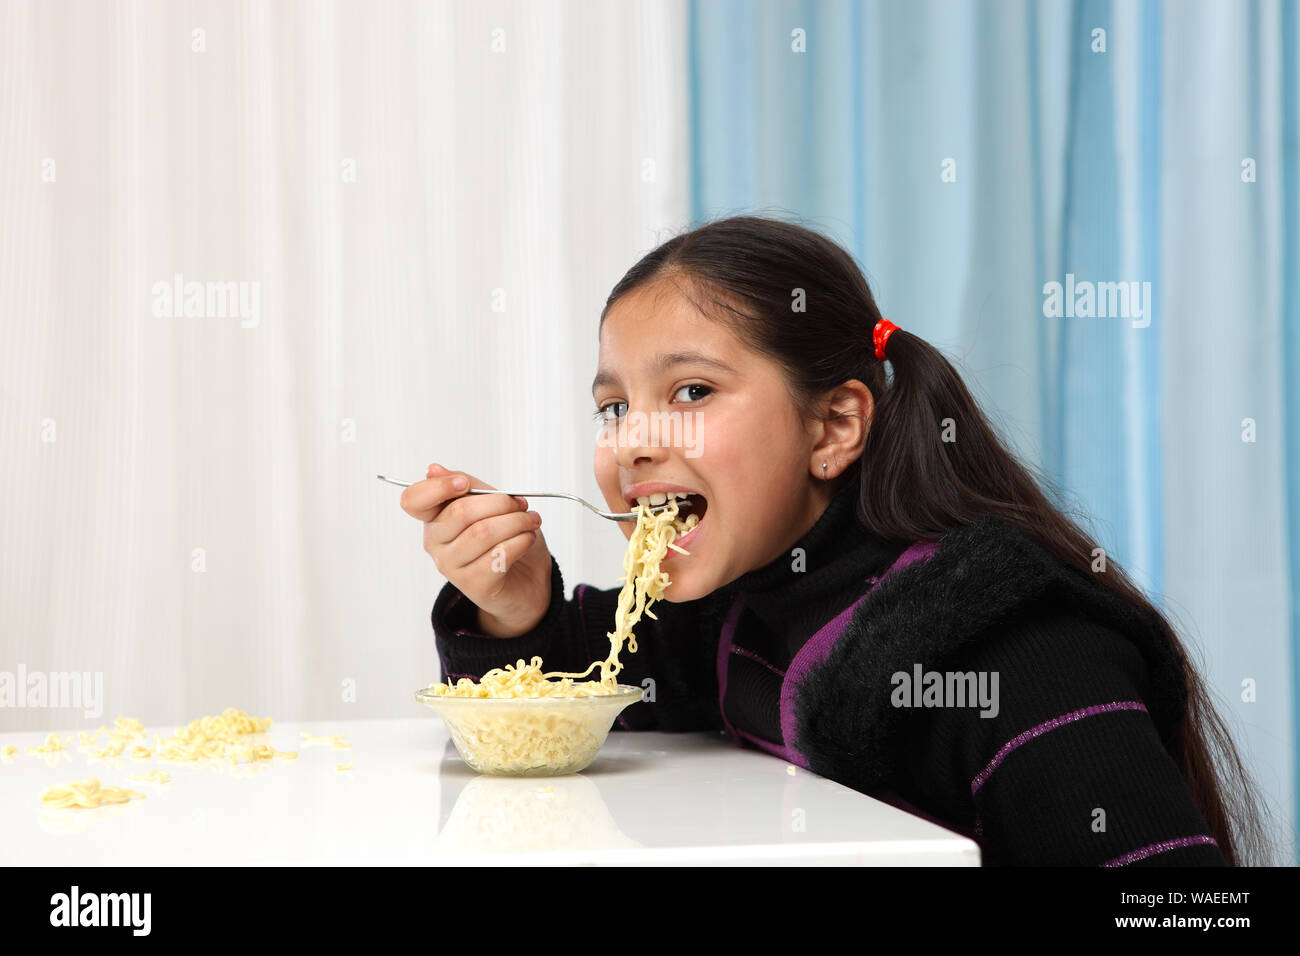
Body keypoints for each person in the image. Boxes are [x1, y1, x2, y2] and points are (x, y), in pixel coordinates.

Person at [401, 215, 1273, 867]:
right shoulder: (744, 608)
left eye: (694, 391)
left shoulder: (1011, 651)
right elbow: (582, 691)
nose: (632, 440)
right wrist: (516, 608)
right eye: (614, 406)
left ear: (834, 426)